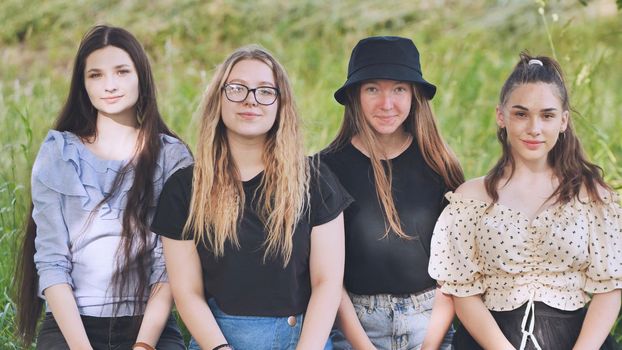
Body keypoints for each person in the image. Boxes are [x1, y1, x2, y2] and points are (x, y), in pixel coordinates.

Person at [151, 45, 352, 350]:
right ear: (218, 98)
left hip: (303, 339)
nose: (250, 100)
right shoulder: (185, 189)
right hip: (218, 340)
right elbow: (187, 292)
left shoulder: (315, 181)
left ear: (280, 104)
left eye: (265, 91)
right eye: (237, 88)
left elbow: (327, 283)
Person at [14, 25, 192, 350]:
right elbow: (52, 260)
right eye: (95, 75)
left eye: (121, 71)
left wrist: (143, 346)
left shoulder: (172, 157)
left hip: (148, 325)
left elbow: (168, 267)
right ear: (83, 85)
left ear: (141, 76)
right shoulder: (59, 153)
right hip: (72, 326)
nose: (109, 85)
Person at [429, 53, 622, 349]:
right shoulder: (471, 199)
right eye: (521, 114)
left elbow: (611, 287)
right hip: (490, 341)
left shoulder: (593, 196)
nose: (534, 128)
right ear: (501, 116)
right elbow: (462, 290)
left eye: (547, 115)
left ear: (563, 121)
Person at [321, 36, 463, 350]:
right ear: (355, 96)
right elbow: (328, 277)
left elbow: (452, 270)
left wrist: (429, 345)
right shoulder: (325, 169)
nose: (387, 104)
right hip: (354, 325)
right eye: (373, 89)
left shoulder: (439, 165)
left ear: (414, 96)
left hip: (431, 323)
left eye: (398, 89)